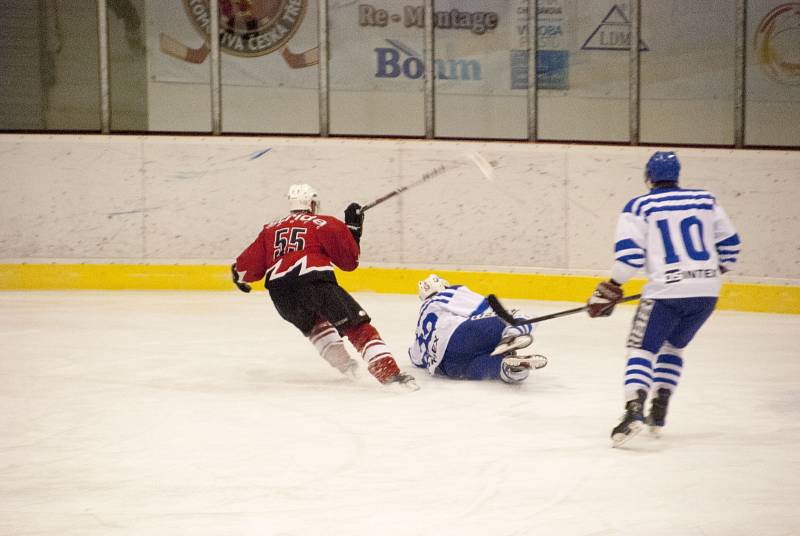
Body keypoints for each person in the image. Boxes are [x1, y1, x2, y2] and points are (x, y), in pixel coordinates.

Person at [587, 151, 741, 447]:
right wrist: (705, 272)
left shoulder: (640, 206)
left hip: (666, 294)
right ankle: (659, 410)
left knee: (641, 349)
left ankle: (634, 412)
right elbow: (731, 245)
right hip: (706, 293)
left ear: (648, 176)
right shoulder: (704, 199)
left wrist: (611, 287)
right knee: (674, 347)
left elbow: (630, 258)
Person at [231, 183, 418, 390]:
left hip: (281, 296)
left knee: (315, 327)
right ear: (312, 203)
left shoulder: (270, 229)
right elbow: (349, 262)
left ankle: (347, 367)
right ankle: (389, 374)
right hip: (314, 284)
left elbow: (245, 269)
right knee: (357, 326)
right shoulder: (324, 223)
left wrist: (239, 278)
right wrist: (353, 229)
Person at [409, 274, 548, 383]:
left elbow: (415, 358)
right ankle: (511, 336)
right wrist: (505, 324)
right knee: (516, 315)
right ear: (442, 285)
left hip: (448, 367)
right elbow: (485, 307)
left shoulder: (420, 324)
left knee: (488, 365)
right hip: (460, 336)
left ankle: (508, 369)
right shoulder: (446, 294)